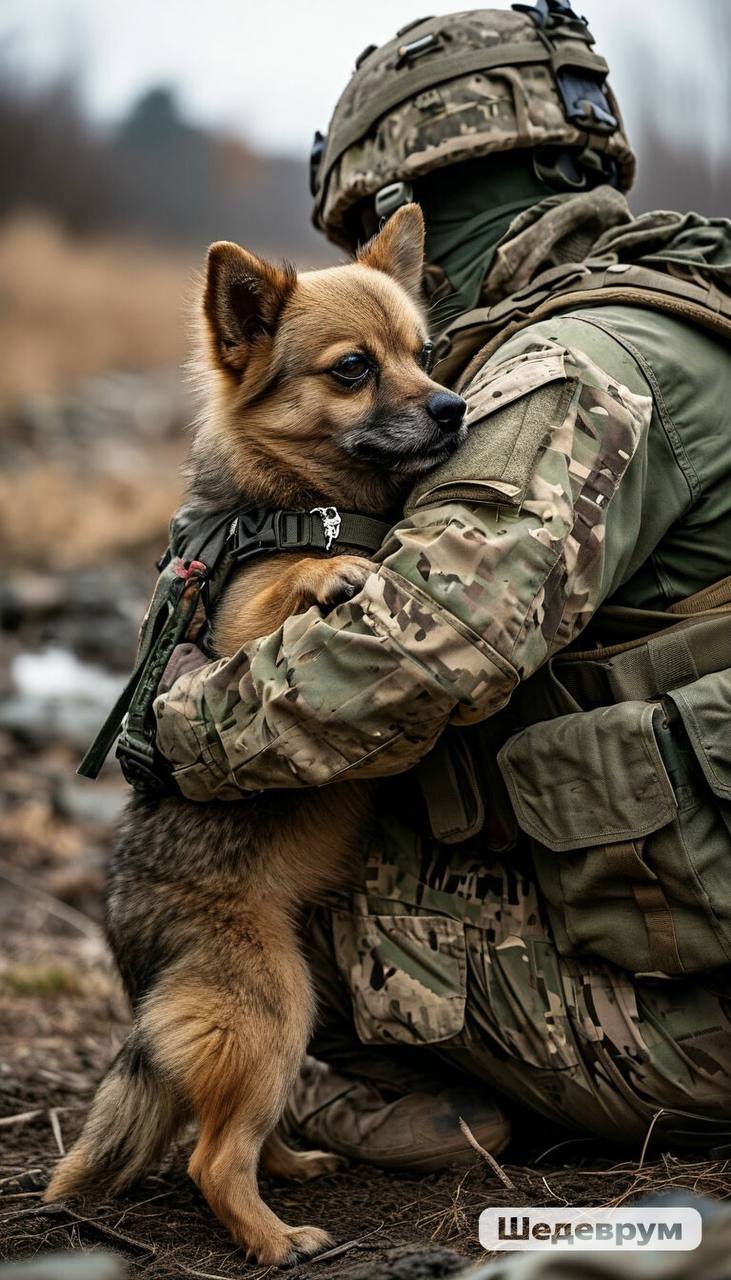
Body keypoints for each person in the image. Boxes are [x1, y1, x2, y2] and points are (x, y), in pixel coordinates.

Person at [151, 3, 731, 1167]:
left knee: (225, 898)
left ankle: (298, 1081)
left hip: (689, 1033)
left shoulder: (571, 365)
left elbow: (402, 663)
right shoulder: (691, 310)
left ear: (407, 201)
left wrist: (176, 726)